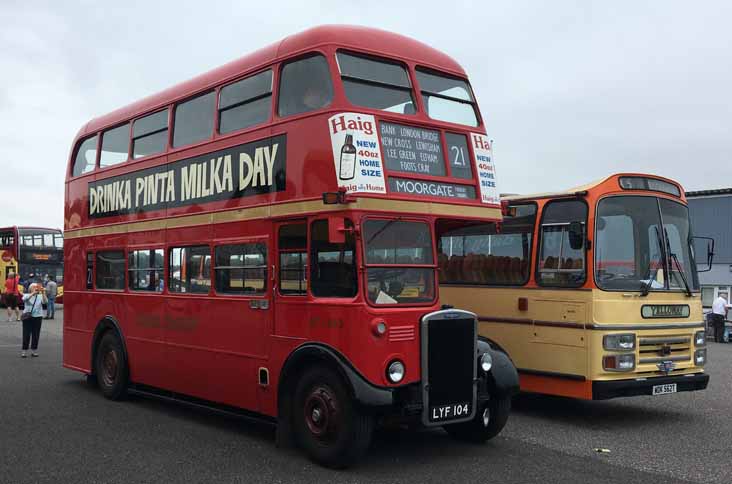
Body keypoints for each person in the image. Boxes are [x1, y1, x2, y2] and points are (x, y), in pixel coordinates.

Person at [21, 282, 47, 357]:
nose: (36, 288)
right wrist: (33, 293)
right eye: (34, 287)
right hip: (27, 317)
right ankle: (24, 351)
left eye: (37, 286)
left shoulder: (40, 296)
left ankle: (34, 350)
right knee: (26, 334)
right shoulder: (26, 295)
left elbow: (45, 302)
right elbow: (24, 299)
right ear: (30, 288)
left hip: (38, 317)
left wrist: (43, 292)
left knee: (36, 334)